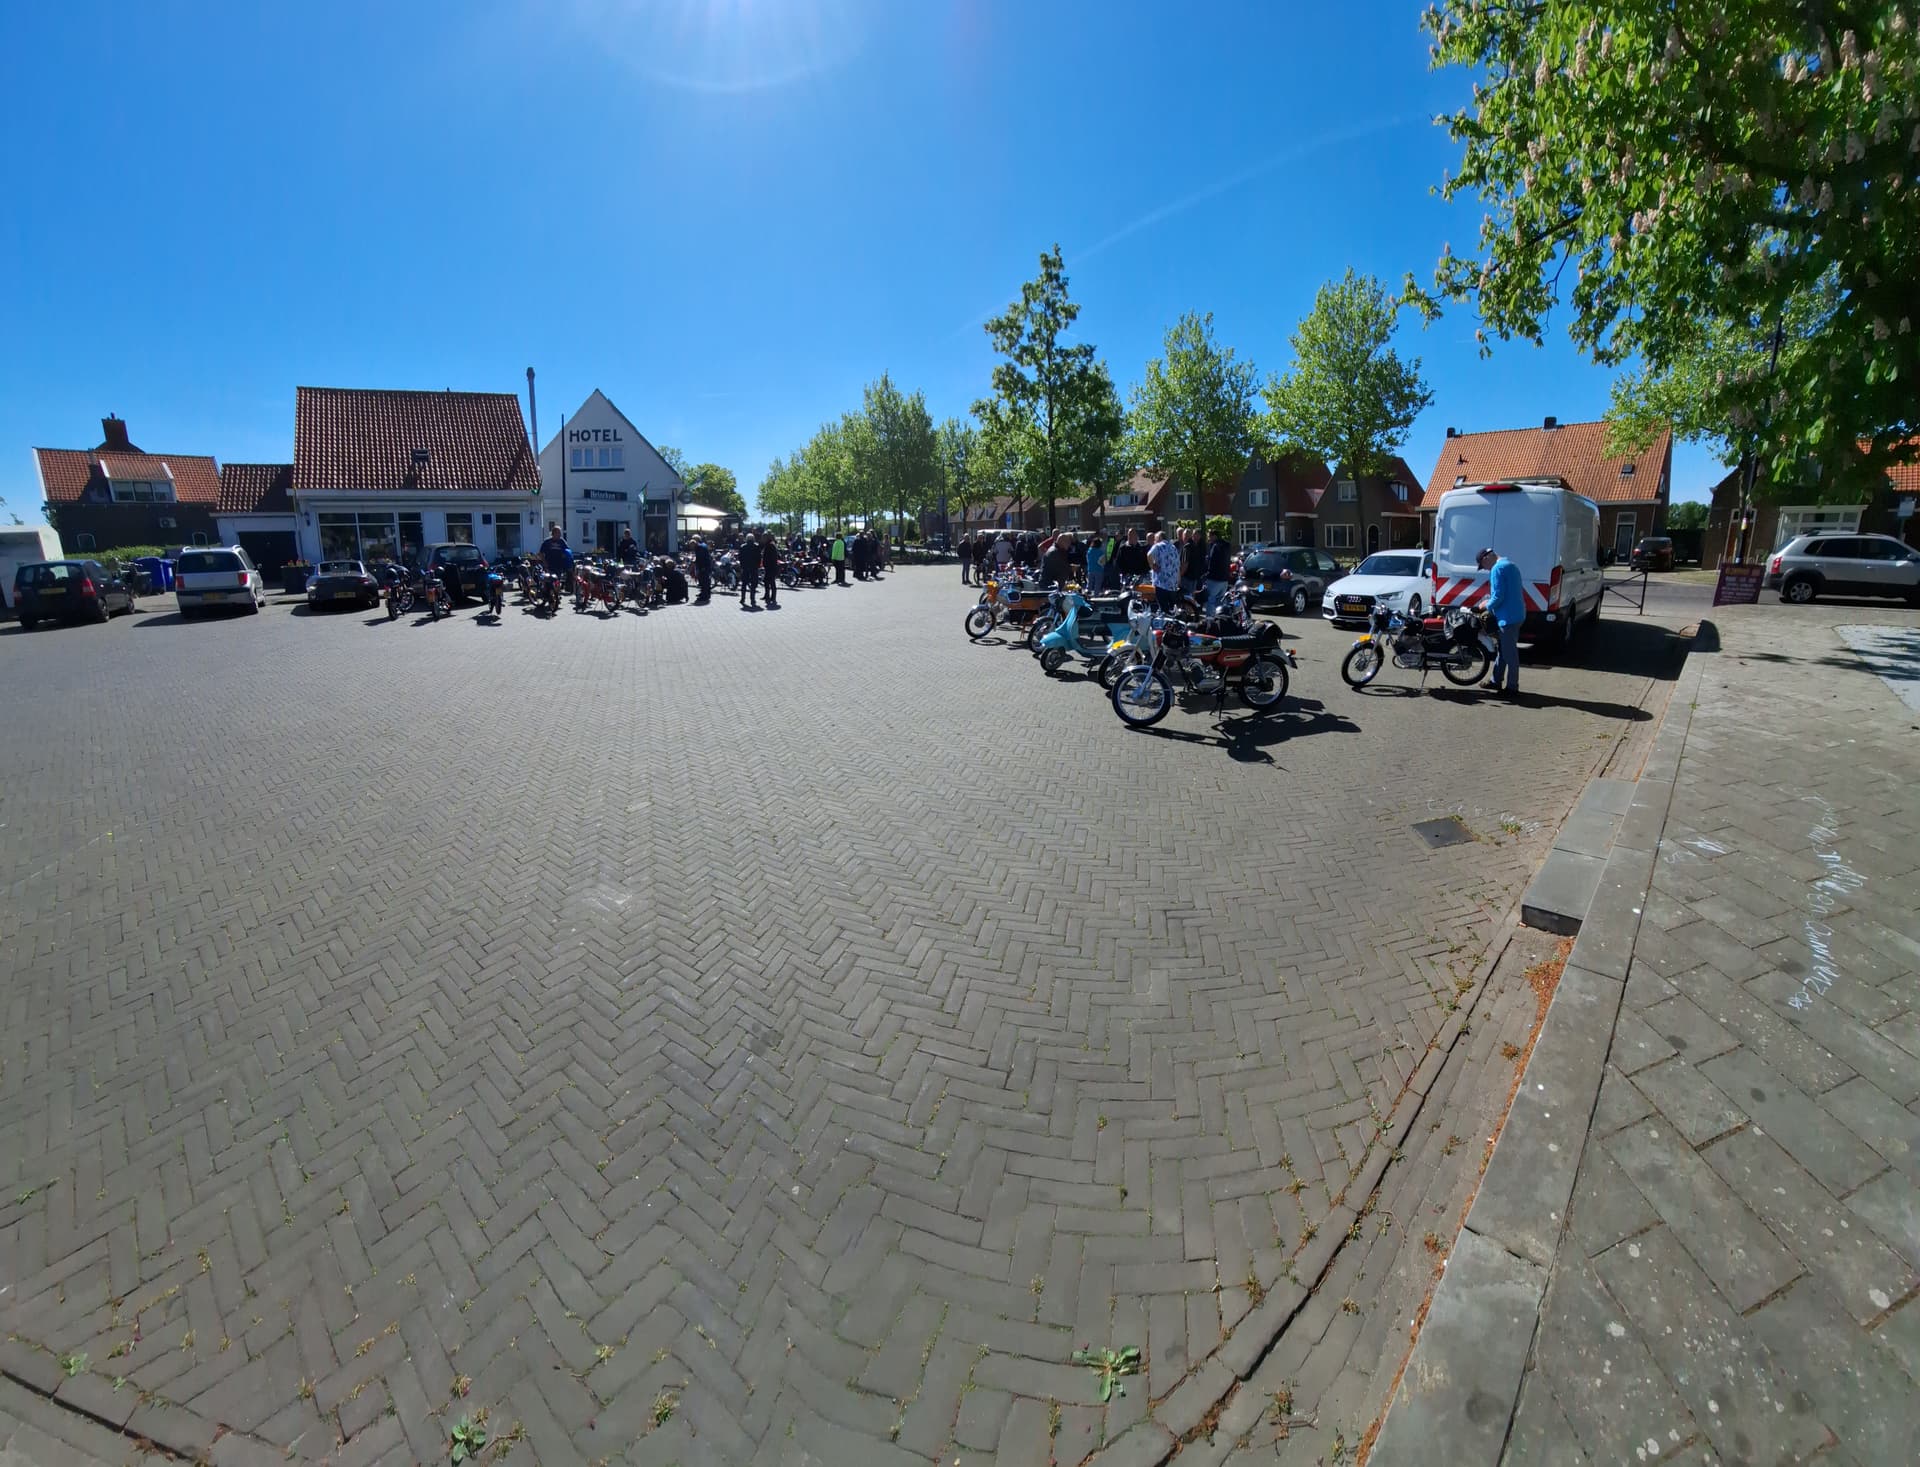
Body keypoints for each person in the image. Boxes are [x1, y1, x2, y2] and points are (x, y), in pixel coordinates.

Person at [1479, 546, 1524, 697]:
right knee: (1503, 651)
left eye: (1483, 566)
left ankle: (1512, 687)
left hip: (1507, 618)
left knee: (1510, 654)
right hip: (1516, 614)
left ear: (1486, 558)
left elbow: (1498, 596)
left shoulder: (1497, 569)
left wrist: (1486, 605)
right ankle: (1496, 680)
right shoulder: (1511, 565)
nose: (1485, 569)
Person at [1147, 530, 1181, 612]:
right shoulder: (1173, 547)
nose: (1154, 541)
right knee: (1172, 610)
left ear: (1159, 538)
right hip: (1173, 584)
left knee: (1163, 609)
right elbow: (1177, 565)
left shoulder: (1158, 546)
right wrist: (1178, 581)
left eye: (1155, 539)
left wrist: (1152, 565)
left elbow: (1149, 555)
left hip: (1161, 584)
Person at [1203, 527, 1233, 614]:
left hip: (1214, 579)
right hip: (1224, 579)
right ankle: (1219, 619)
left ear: (1214, 536)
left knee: (1211, 601)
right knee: (1220, 602)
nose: (1208, 539)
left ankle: (1210, 619)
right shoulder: (1227, 546)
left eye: (1209, 536)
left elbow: (1212, 563)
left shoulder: (1215, 546)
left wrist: (1207, 574)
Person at [738, 531, 762, 608]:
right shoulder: (756, 546)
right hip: (754, 567)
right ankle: (752, 599)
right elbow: (759, 557)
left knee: (744, 583)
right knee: (753, 584)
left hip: (745, 567)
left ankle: (743, 598)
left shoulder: (742, 546)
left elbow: (740, 558)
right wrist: (758, 566)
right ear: (753, 539)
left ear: (746, 539)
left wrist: (742, 566)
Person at [1182, 529, 1205, 599]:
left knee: (1186, 597)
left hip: (1187, 577)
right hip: (1194, 576)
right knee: (1191, 596)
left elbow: (1185, 564)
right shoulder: (1196, 546)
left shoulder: (1187, 547)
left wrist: (1179, 575)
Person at [762, 532, 781, 609]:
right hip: (768, 567)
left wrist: (768, 564)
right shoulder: (767, 545)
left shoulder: (771, 545)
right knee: (766, 582)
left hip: (771, 567)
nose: (762, 539)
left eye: (764, 537)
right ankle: (767, 595)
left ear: (767, 538)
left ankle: (773, 597)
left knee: (772, 582)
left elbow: (772, 557)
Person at [692, 535, 713, 604]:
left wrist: (699, 565)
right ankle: (705, 594)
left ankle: (704, 596)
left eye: (694, 540)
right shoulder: (703, 545)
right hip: (706, 566)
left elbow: (701, 558)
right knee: (705, 581)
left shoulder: (700, 547)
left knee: (704, 581)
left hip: (703, 567)